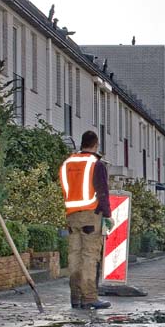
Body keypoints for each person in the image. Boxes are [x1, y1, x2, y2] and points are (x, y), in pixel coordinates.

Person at [59, 130, 114, 310]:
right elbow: (102, 191)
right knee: (90, 256)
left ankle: (75, 297)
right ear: (96, 145)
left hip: (71, 215)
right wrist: (107, 215)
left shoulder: (67, 163)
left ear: (81, 144)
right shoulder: (96, 164)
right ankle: (90, 298)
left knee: (74, 256)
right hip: (91, 215)